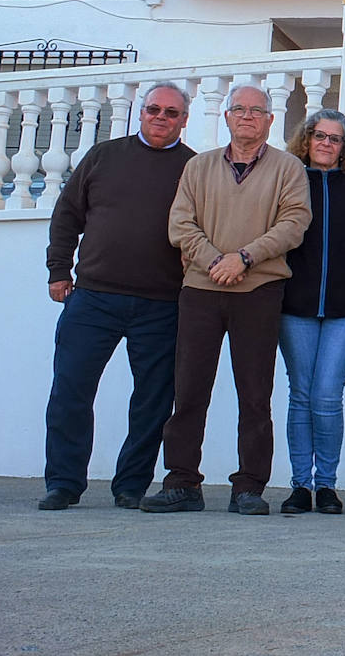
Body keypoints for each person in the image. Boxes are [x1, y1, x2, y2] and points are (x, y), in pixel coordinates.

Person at [141, 84, 311, 515]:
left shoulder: (288, 168)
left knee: (254, 393)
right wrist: (217, 260)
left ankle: (249, 487)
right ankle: (181, 482)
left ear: (270, 120)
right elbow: (180, 225)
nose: (248, 116)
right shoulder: (198, 167)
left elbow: (294, 223)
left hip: (259, 290)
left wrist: (245, 258)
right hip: (200, 290)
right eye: (239, 109)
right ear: (227, 117)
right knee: (189, 388)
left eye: (257, 110)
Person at [39, 82, 196, 511]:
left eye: (171, 113)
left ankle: (130, 486)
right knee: (70, 390)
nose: (160, 118)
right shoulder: (104, 156)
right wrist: (58, 270)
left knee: (153, 400)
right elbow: (67, 215)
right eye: (153, 110)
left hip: (162, 304)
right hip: (93, 297)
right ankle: (64, 484)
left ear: (185, 119)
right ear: (140, 114)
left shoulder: (195, 168)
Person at [277, 110, 345, 515]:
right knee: (300, 395)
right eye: (320, 136)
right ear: (306, 139)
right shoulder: (287, 185)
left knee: (327, 395)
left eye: (336, 139)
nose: (327, 144)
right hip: (294, 307)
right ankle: (300, 485)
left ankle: (327, 486)